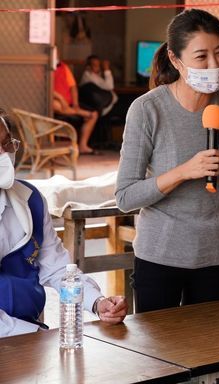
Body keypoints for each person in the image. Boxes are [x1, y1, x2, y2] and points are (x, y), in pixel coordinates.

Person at [115, 9, 219, 313]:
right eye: (201, 57)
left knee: (209, 353)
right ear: (175, 58)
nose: (213, 65)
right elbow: (126, 197)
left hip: (217, 254)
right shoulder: (147, 110)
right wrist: (183, 172)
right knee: (159, 356)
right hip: (160, 255)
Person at [0, 110, 127, 337]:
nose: (3, 154)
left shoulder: (30, 200)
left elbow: (58, 268)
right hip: (19, 335)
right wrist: (33, 335)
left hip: (29, 334)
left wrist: (97, 302)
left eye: (7, 144)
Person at [53, 60, 99, 155]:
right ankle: (80, 112)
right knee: (56, 106)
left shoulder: (63, 67)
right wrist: (61, 98)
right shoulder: (44, 66)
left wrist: (75, 103)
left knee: (94, 114)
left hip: (68, 104)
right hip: (54, 101)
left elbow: (73, 86)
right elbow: (45, 87)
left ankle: (83, 146)